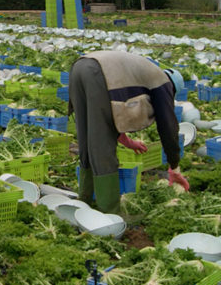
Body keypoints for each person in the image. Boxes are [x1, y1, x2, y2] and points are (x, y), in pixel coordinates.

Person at [69, 50, 190, 214]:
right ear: (173, 88)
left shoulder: (144, 74)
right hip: (97, 73)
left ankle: (85, 200)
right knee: (102, 146)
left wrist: (128, 141)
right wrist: (174, 167)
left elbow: (114, 111)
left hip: (80, 67)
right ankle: (109, 213)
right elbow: (168, 127)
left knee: (87, 136)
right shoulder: (162, 83)